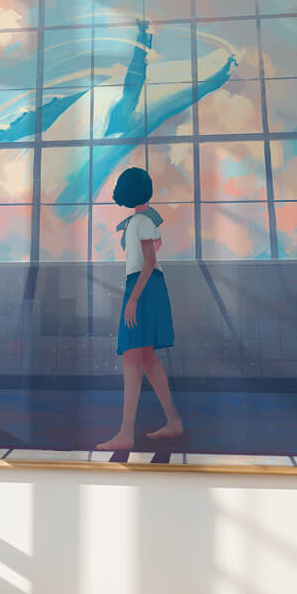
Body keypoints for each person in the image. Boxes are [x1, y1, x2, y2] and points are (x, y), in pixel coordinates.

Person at [96, 166, 183, 450]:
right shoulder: (141, 221)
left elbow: (147, 263)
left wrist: (133, 299)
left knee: (133, 357)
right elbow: (148, 255)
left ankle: (125, 433)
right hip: (145, 286)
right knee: (144, 358)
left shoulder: (142, 221)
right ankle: (173, 422)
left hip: (143, 288)